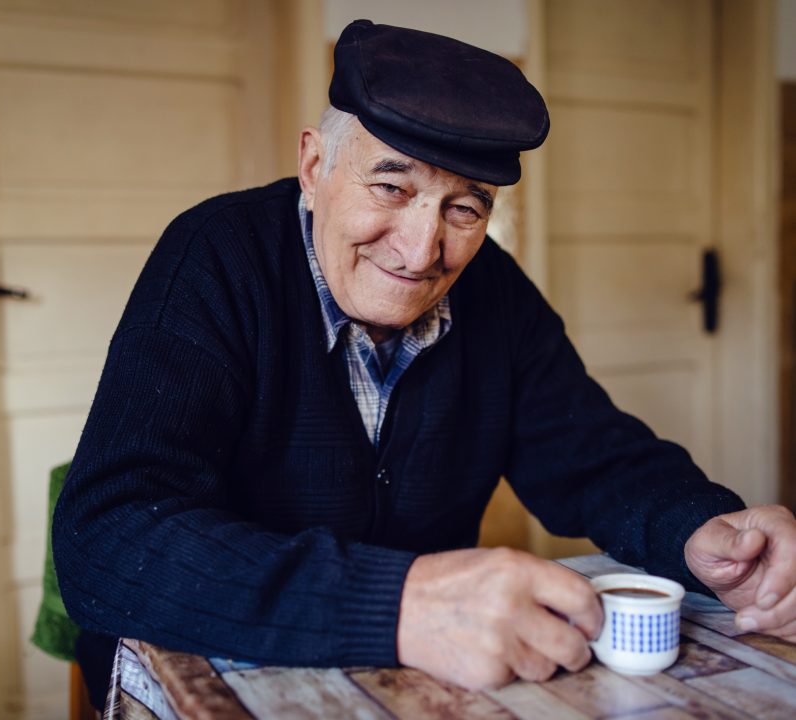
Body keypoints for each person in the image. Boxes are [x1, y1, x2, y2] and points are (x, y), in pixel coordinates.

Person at [53, 19, 796, 706]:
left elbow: (595, 460)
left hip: (411, 679)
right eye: (390, 187)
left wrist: (707, 533)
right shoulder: (216, 256)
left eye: (464, 210)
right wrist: (401, 603)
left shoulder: (493, 290)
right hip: (217, 667)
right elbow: (108, 536)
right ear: (314, 165)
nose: (420, 251)